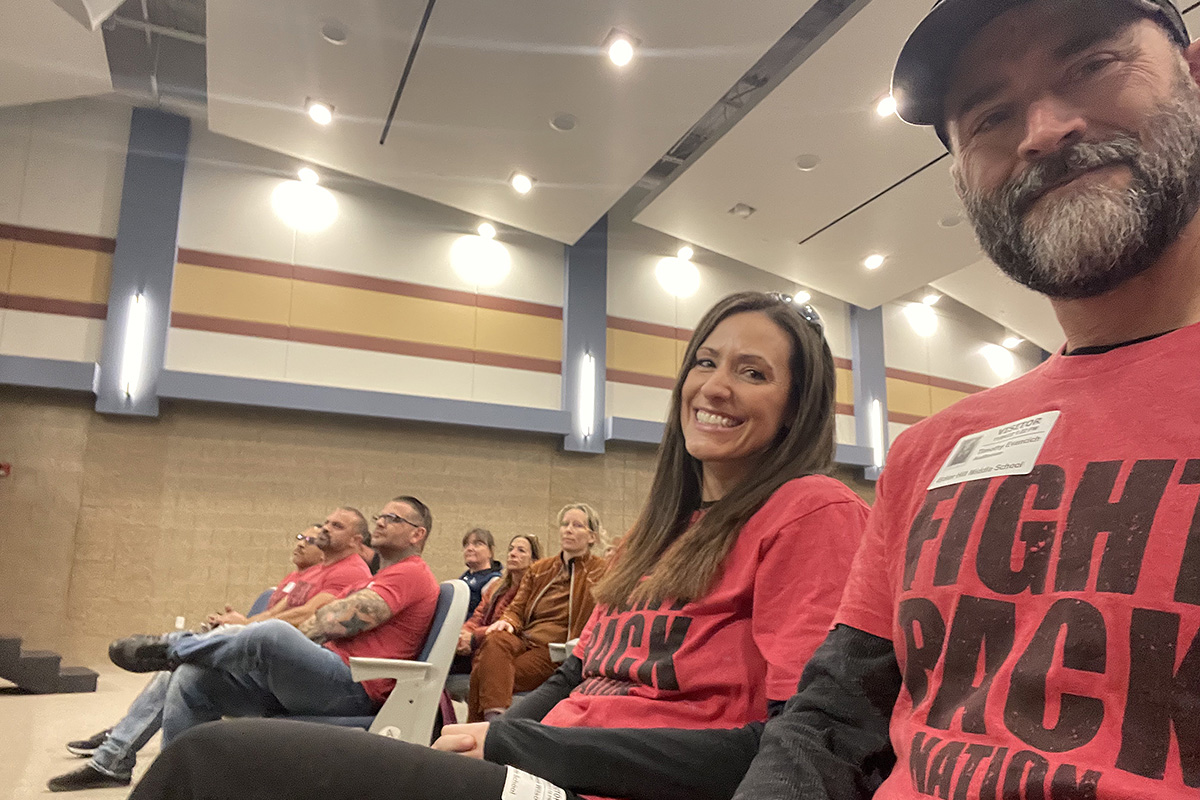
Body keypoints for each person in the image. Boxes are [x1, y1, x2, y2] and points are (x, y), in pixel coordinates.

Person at [127, 290, 871, 800]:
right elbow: (575, 678)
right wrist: (498, 733)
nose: (715, 386)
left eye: (753, 372)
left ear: (795, 406)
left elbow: (796, 742)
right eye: (705, 362)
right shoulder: (657, 536)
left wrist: (522, 748)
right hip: (543, 764)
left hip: (596, 785)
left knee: (210, 763)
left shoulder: (812, 511)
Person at [729, 2, 1200, 799]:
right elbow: (832, 723)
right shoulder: (928, 450)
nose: (1043, 131)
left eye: (1091, 66)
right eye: (991, 116)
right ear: (962, 180)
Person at [48, 510, 372, 792]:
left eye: (336, 526)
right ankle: (127, 762)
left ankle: (176, 645)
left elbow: (307, 619)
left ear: (357, 540)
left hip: (299, 669)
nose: (324, 530)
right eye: (325, 523)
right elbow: (276, 613)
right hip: (276, 661)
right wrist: (243, 623)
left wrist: (245, 628)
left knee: (196, 652)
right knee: (186, 669)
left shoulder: (351, 571)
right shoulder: (313, 572)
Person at [106, 496, 439, 749]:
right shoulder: (374, 578)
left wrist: (312, 625)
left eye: (393, 519)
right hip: (320, 677)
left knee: (272, 633)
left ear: (417, 534)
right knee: (194, 679)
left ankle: (174, 646)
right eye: (380, 516)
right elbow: (317, 622)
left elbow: (332, 621)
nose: (380, 523)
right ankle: (181, 784)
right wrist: (313, 625)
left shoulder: (411, 573)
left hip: (354, 686)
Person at [467, 503, 607, 721]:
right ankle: (493, 725)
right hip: (525, 640)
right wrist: (508, 621)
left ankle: (487, 727)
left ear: (592, 537)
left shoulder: (602, 572)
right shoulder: (540, 569)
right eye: (565, 524)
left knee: (484, 673)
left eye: (577, 525)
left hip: (555, 650)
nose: (568, 530)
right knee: (495, 639)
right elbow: (517, 608)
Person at [447, 534, 544, 700]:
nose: (513, 554)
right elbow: (478, 615)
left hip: (504, 649)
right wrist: (463, 635)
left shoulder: (535, 592)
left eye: (521, 551)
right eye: (511, 549)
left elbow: (514, 628)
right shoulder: (497, 586)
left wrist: (473, 637)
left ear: (534, 561)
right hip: (479, 644)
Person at [460, 527, 503, 617]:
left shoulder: (494, 581)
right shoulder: (465, 576)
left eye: (478, 544)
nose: (469, 548)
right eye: (466, 545)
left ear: (490, 552)